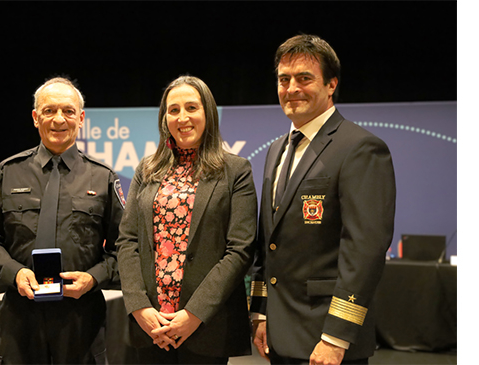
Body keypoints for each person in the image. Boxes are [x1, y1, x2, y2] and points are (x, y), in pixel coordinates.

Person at [250, 34, 396, 365]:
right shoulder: (277, 149)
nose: (291, 88)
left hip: (327, 340)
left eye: (304, 78)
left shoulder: (360, 148)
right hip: (279, 336)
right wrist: (260, 312)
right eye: (283, 79)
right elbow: (269, 243)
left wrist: (336, 336)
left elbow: (364, 250)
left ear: (331, 85)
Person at [0, 77, 125, 364]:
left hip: (82, 317)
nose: (58, 119)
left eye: (67, 111)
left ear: (81, 118)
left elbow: (125, 249)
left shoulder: (103, 177)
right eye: (49, 111)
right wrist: (14, 273)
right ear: (35, 117)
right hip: (20, 314)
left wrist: (93, 278)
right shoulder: (7, 172)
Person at [116, 75, 257, 364]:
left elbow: (240, 249)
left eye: (192, 108)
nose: (183, 117)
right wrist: (139, 306)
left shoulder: (236, 170)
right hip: (150, 327)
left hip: (205, 327)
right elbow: (128, 241)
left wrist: (193, 315)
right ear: (164, 117)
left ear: (208, 113)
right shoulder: (146, 169)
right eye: (174, 109)